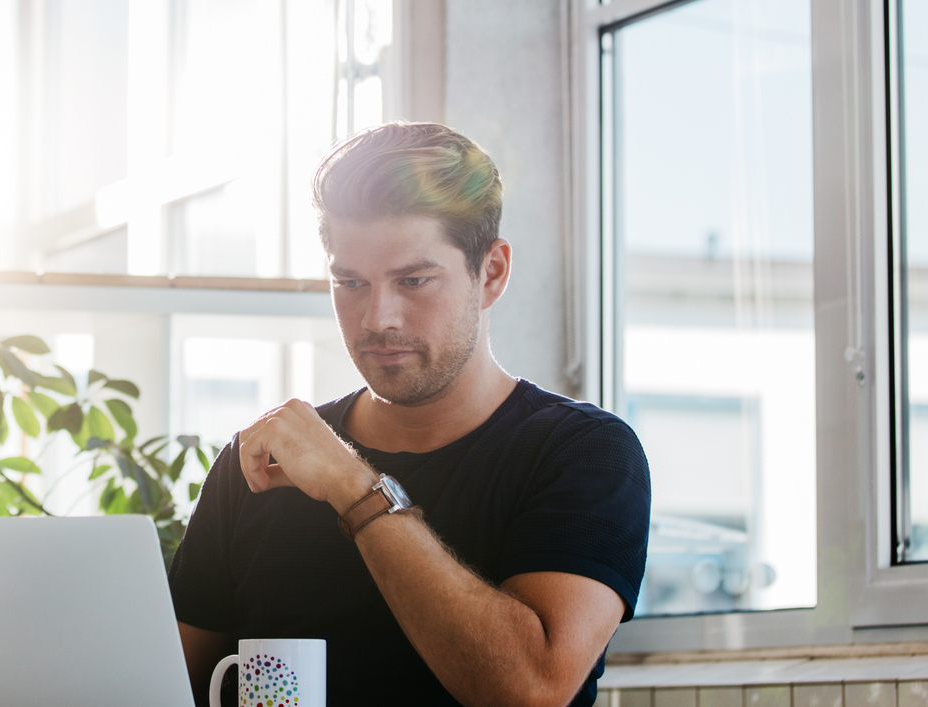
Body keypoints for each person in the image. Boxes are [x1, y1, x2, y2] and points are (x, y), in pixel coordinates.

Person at [167, 123, 651, 707]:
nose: (379, 318)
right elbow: (161, 685)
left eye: (414, 280)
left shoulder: (583, 452)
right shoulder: (259, 464)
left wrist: (353, 486)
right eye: (350, 282)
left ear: (491, 273)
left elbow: (530, 690)